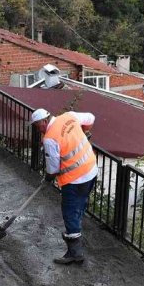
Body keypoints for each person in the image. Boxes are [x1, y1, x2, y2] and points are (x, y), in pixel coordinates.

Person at [30, 108, 97, 264]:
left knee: (69, 212)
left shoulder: (50, 139)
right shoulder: (69, 116)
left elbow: (53, 169)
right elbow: (90, 117)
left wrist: (48, 177)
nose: (37, 129)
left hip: (75, 180)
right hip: (91, 170)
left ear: (44, 121)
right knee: (80, 204)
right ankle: (77, 231)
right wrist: (83, 132)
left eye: (36, 126)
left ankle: (75, 252)